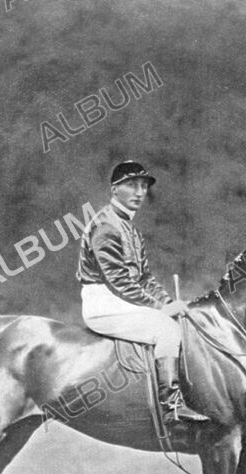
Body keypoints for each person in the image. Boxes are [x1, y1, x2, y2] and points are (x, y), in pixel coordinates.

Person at [76, 160, 196, 422]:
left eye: (143, 186)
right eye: (132, 185)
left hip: (119, 299)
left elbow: (144, 278)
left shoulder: (131, 230)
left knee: (177, 320)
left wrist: (169, 302)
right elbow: (119, 281)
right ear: (114, 189)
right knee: (166, 328)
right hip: (103, 302)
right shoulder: (105, 225)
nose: (140, 192)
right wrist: (161, 310)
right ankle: (170, 406)